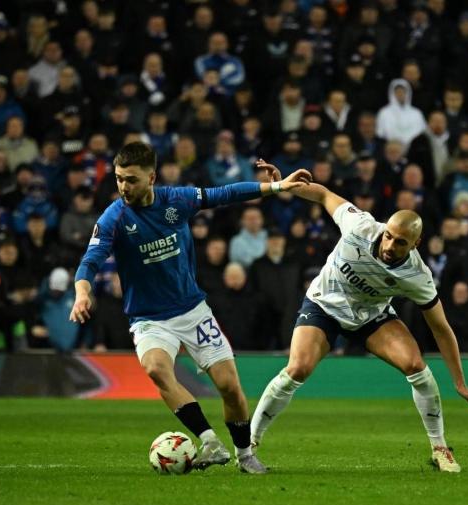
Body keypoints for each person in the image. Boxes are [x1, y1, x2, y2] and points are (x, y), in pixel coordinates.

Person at [69, 142, 311, 474]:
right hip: (149, 318)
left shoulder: (175, 200)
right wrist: (82, 294)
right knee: (156, 369)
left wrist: (278, 187)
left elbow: (224, 193)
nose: (124, 187)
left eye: (132, 179)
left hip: (192, 311)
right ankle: (209, 441)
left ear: (151, 177)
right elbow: (89, 263)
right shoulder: (114, 218)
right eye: (119, 179)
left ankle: (245, 456)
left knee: (229, 387)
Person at [249, 160, 468, 473]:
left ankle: (440, 448)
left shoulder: (418, 275)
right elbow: (323, 195)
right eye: (389, 236)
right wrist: (284, 186)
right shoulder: (359, 226)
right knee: (297, 368)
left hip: (370, 316)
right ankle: (248, 445)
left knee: (416, 366)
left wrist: (459, 381)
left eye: (401, 242)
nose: (390, 244)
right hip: (324, 305)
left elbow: (441, 328)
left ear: (415, 244)